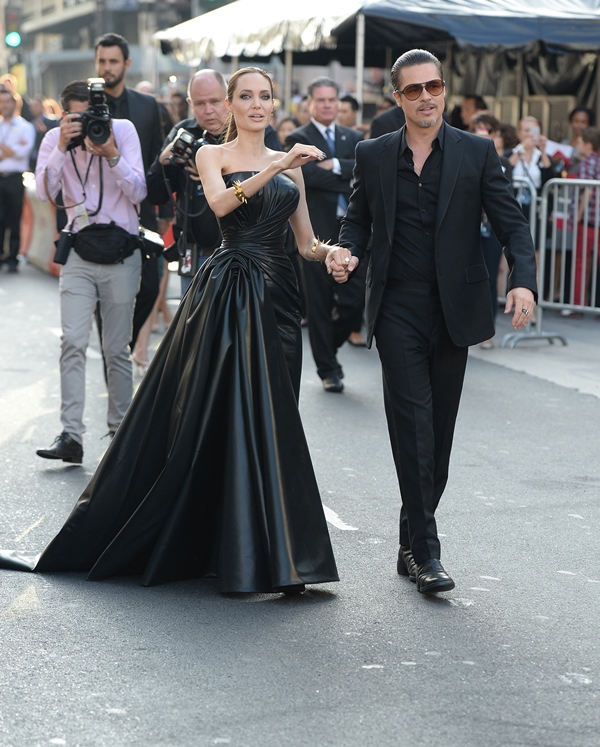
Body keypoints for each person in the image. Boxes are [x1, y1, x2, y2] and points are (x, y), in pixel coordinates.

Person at [0, 67, 349, 594]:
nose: (257, 104)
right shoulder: (214, 155)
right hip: (231, 294)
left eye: (265, 96)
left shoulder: (291, 166)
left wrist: (333, 251)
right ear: (230, 105)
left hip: (279, 297)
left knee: (276, 418)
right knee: (228, 414)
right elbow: (222, 204)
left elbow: (305, 243)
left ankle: (276, 552)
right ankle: (233, 549)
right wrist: (277, 164)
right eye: (246, 96)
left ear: (274, 105)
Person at [336, 49, 537, 594]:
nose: (426, 97)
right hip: (397, 306)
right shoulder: (373, 154)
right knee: (413, 429)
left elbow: (513, 225)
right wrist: (346, 252)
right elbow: (358, 222)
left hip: (455, 311)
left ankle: (409, 539)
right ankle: (427, 552)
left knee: (439, 439)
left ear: (444, 90)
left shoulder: (477, 151)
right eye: (414, 89)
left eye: (434, 86)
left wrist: (522, 280)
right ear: (397, 97)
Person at [34, 80, 146, 463]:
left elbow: (139, 192)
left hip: (122, 253)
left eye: (92, 116)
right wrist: (62, 148)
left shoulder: (122, 131)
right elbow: (45, 192)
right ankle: (71, 435)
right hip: (79, 253)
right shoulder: (55, 139)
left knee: (117, 349)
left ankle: (120, 433)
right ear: (65, 115)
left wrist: (112, 154)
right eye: (77, 118)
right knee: (72, 342)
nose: (86, 125)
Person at [285, 77, 364, 393]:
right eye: (321, 100)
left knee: (355, 301)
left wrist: (334, 166)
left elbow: (364, 172)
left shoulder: (354, 137)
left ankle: (328, 349)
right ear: (310, 104)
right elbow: (306, 177)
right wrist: (346, 175)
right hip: (314, 235)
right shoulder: (298, 138)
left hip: (352, 231)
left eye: (332, 99)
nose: (328, 105)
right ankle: (328, 370)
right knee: (318, 303)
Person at [94, 32, 170, 348]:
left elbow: (158, 159)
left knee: (150, 286)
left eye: (113, 61)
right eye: (101, 61)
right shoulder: (86, 104)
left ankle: (122, 345)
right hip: (99, 213)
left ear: (126, 63)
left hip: (142, 210)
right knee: (103, 293)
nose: (106, 68)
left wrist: (165, 209)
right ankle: (113, 358)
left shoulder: (147, 106)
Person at [470, 112, 514, 349]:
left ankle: (486, 331)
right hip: (465, 226)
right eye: (478, 129)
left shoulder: (503, 163)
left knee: (488, 277)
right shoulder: (463, 156)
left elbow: (505, 198)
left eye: (487, 129)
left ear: (496, 134)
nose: (482, 133)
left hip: (491, 227)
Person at [0, 89, 35, 273]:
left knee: (14, 219)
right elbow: (15, 151)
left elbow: (23, 152)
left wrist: (5, 149)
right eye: (1, 101)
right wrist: (12, 148)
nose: (4, 105)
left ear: (14, 103)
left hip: (14, 179)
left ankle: (13, 258)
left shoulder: (25, 127)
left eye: (7, 101)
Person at [570, 126, 600, 313]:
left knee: (581, 262)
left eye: (580, 142)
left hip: (589, 220)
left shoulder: (588, 162)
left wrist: (578, 216)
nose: (577, 145)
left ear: (588, 145)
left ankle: (577, 305)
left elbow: (587, 192)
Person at [28, 94, 58, 172]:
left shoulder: (52, 121)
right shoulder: (30, 124)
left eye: (36, 106)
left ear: (42, 106)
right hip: (33, 160)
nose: (33, 108)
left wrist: (44, 131)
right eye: (32, 106)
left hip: (47, 158)